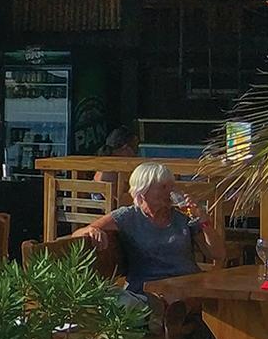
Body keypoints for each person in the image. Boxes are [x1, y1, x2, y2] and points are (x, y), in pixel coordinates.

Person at [74, 162, 222, 296]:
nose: (170, 192)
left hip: (187, 288)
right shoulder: (128, 216)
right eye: (163, 187)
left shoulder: (183, 217)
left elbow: (218, 254)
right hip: (147, 291)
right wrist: (92, 230)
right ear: (143, 191)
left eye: (171, 186)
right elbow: (78, 234)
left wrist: (204, 221)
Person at [96, 127, 141, 191]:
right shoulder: (112, 169)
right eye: (135, 147)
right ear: (125, 148)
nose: (136, 154)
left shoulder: (104, 163)